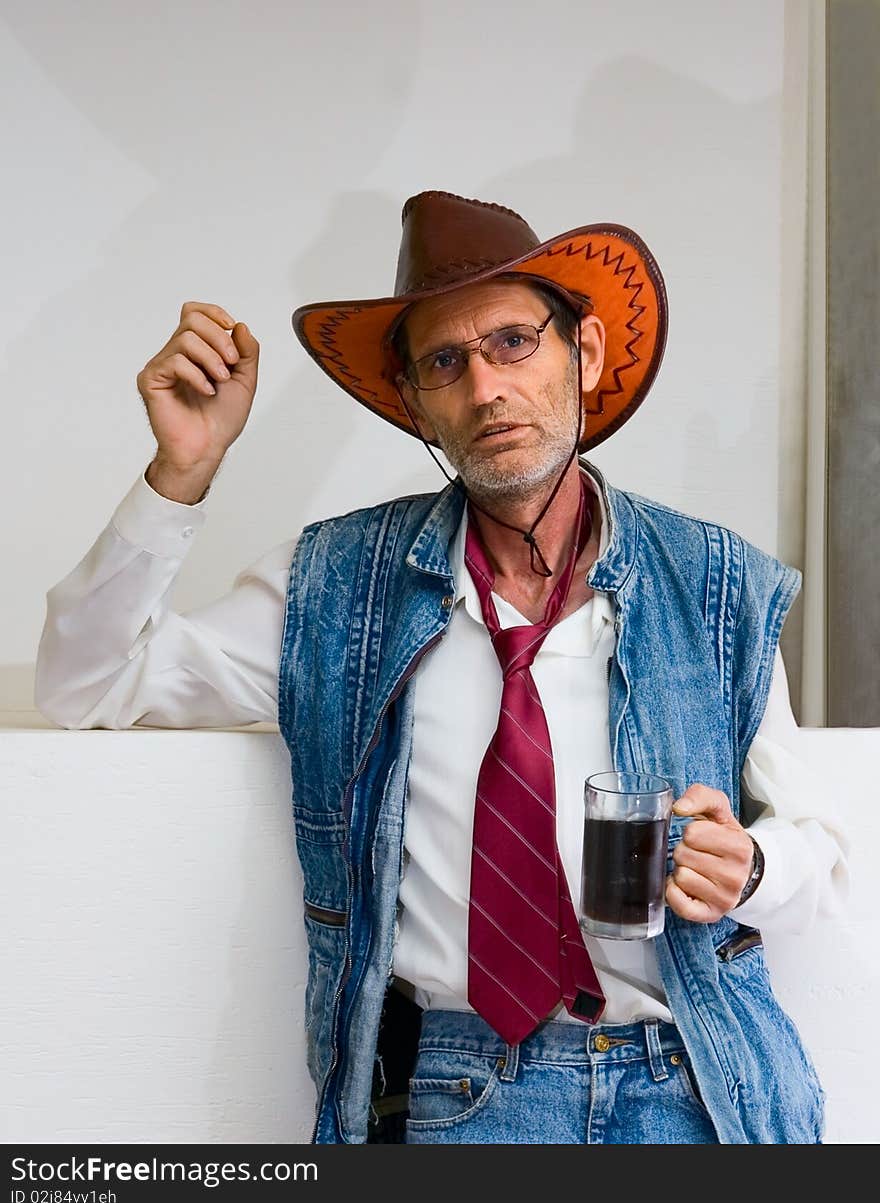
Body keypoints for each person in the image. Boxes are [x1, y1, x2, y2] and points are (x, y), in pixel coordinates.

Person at [34, 190, 849, 1145]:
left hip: (701, 1089)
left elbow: (821, 858)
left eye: (513, 343)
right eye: (445, 362)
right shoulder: (337, 588)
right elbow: (88, 678)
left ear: (580, 354)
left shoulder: (714, 587)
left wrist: (753, 866)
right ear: (416, 399)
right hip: (463, 1096)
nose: (486, 388)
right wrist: (183, 469)